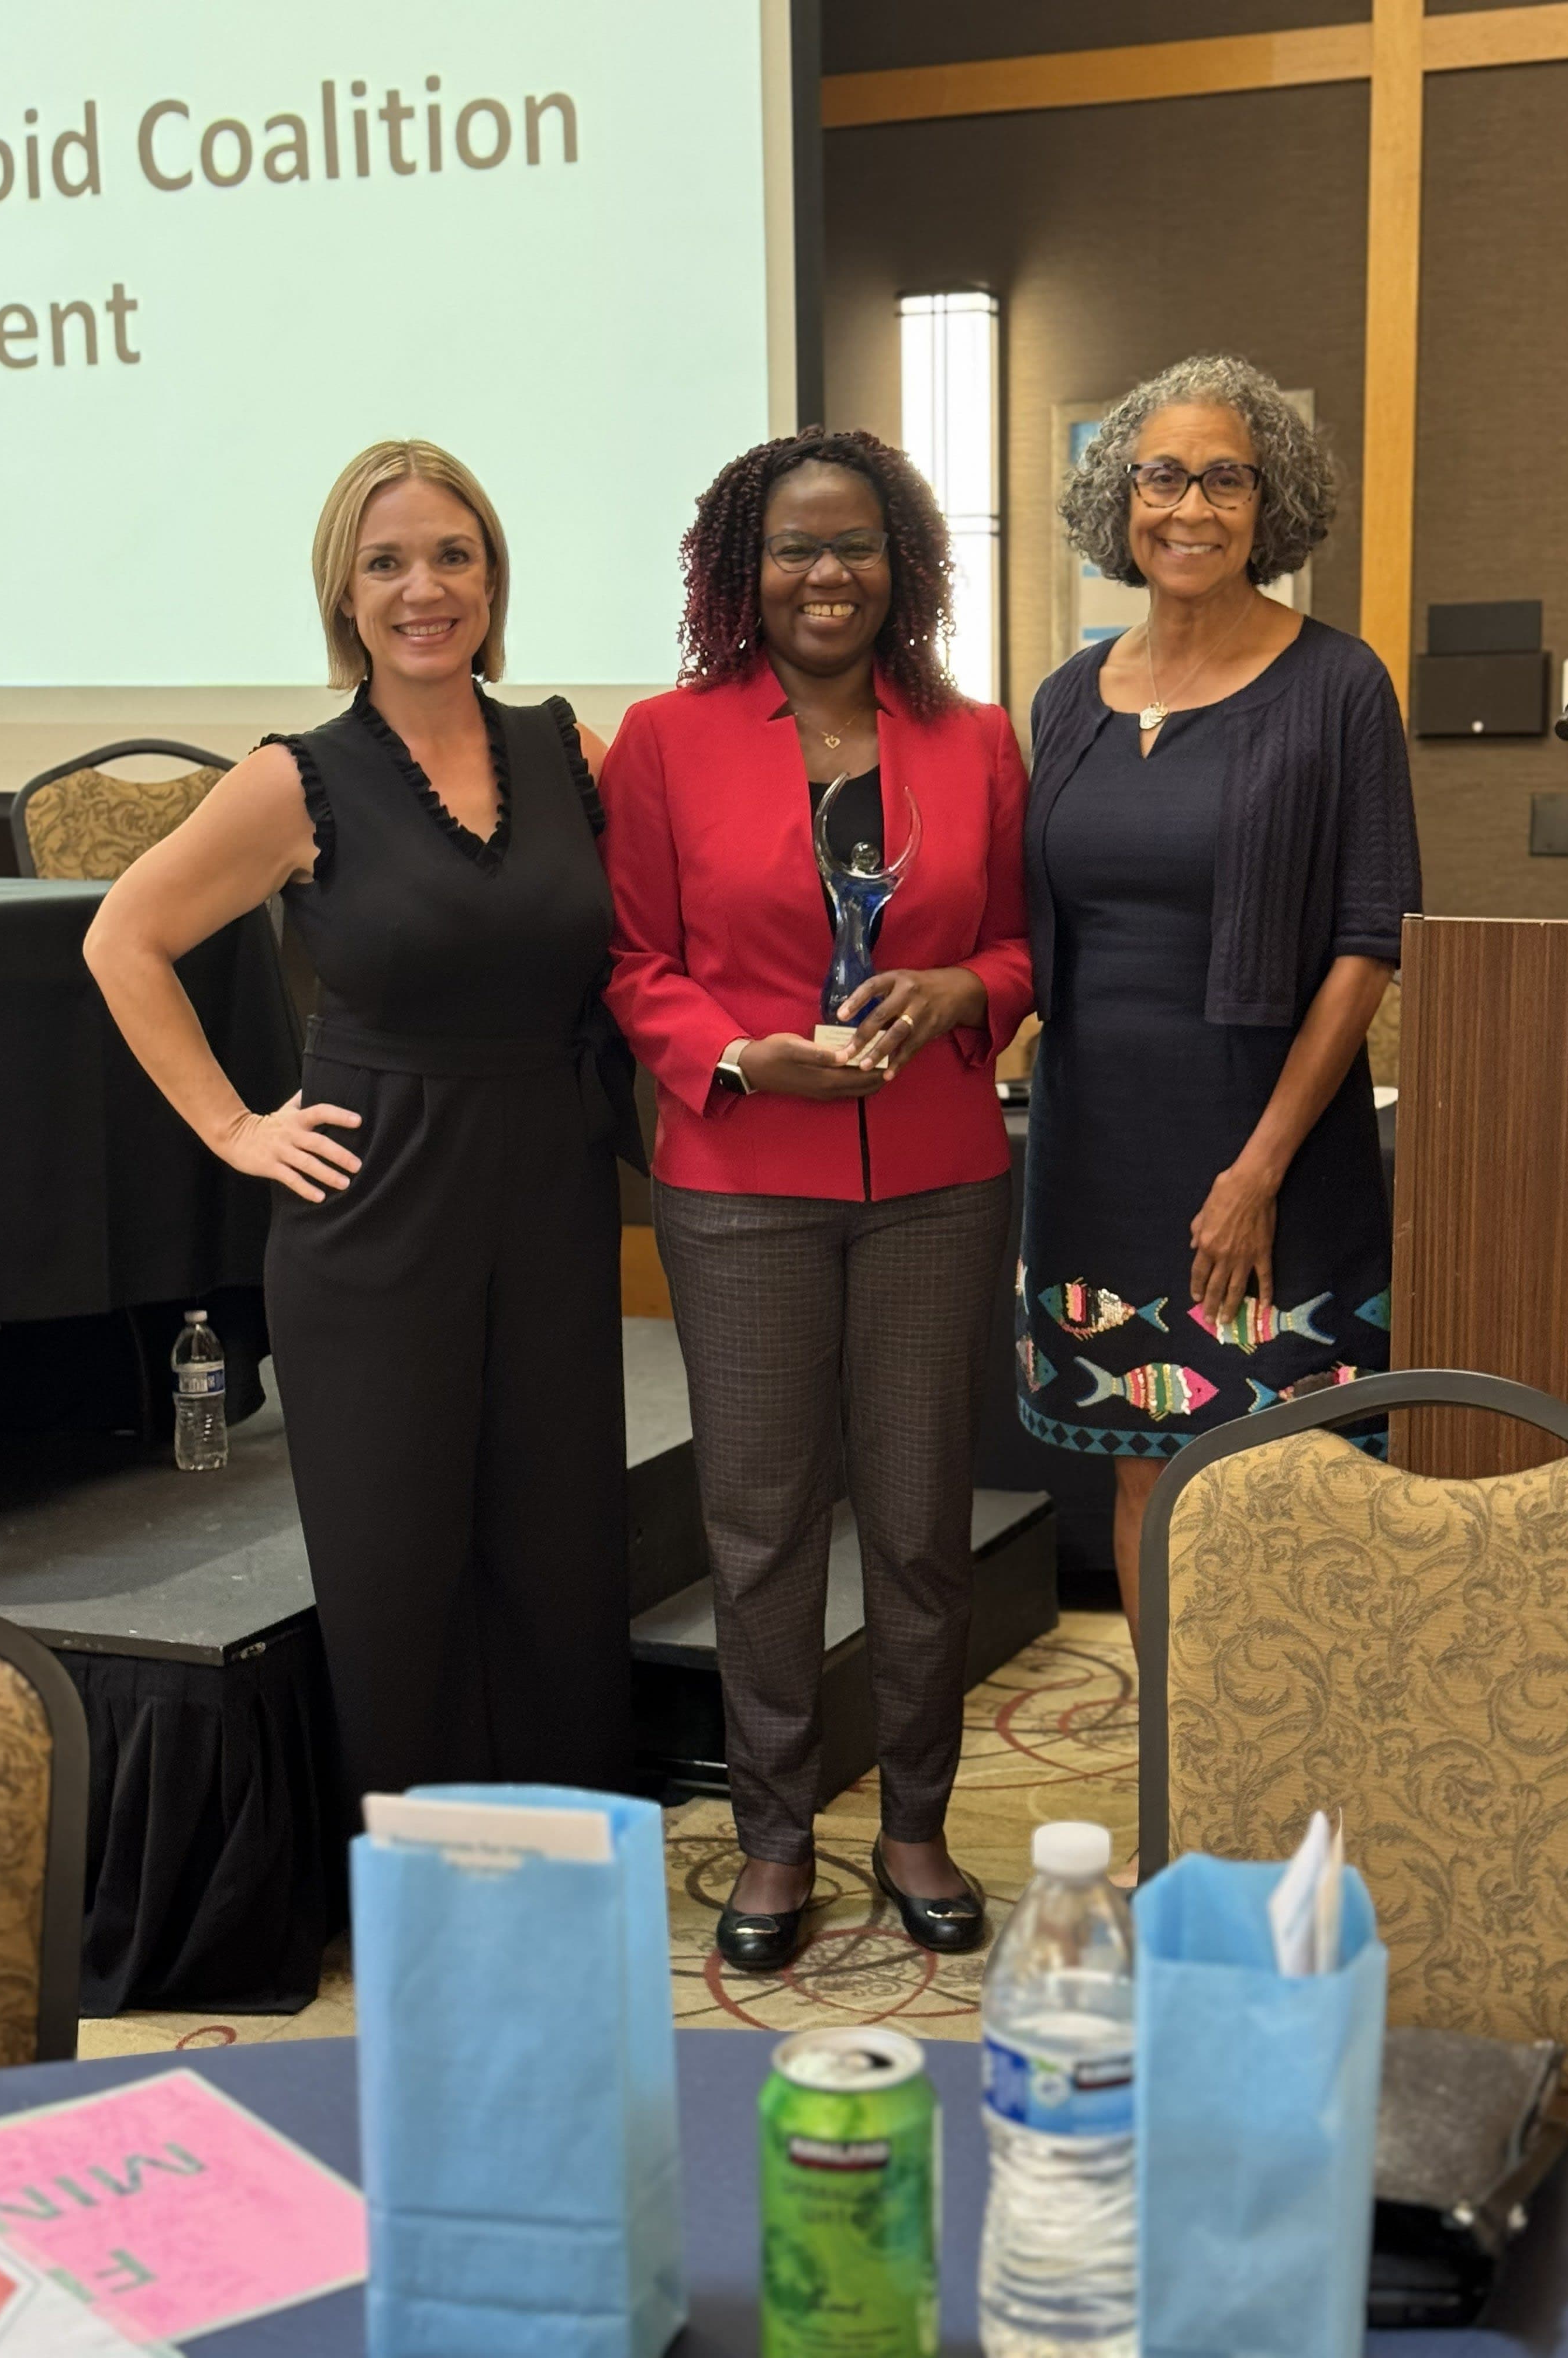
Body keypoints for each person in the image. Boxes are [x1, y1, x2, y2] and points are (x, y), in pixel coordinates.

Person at [85, 439, 640, 1819]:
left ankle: (570, 1865)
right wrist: (231, 1125)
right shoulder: (299, 779)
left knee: (561, 1551)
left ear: (493, 576)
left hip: (554, 1193)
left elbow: (654, 944)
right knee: (398, 1567)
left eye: (453, 555)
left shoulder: (569, 749)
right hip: (377, 1204)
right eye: (386, 563)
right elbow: (124, 938)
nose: (423, 589)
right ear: (344, 596)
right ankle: (426, 1890)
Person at [601, 426, 1031, 1970]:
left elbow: (1019, 949)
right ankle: (773, 1837)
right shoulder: (662, 739)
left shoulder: (973, 737)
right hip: (738, 1179)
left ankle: (914, 1819)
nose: (827, 574)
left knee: (919, 1524)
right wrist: (734, 1057)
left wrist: (955, 986)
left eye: (855, 546)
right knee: (762, 1525)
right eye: (795, 548)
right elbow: (635, 964)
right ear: (744, 569)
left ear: (900, 566)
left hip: (934, 1178)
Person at [1018, 353, 1420, 1707]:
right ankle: (1177, 1800)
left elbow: (1371, 939)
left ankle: (1297, 1794)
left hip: (1266, 1152)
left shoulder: (1337, 686)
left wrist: (1257, 1172)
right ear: (1119, 496)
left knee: (1282, 1489)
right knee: (1147, 1474)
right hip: (1096, 1147)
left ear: (1273, 501)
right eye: (1163, 475)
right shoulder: (1069, 698)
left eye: (1226, 477)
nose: (1190, 506)